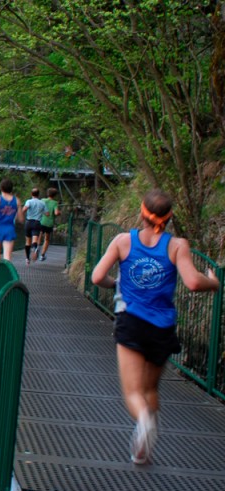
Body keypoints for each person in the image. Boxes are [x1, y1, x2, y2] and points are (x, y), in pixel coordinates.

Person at [91, 189, 219, 464]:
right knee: (150, 389)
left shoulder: (123, 241)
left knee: (133, 392)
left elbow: (97, 276)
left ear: (141, 213)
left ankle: (144, 423)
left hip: (131, 321)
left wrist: (117, 284)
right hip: (162, 326)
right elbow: (194, 283)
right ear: (169, 218)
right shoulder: (177, 246)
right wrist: (214, 282)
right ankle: (145, 449)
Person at [0, 179, 23, 263]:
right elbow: (21, 219)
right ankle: (6, 274)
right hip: (9, 228)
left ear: (1, 188)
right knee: (7, 256)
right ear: (11, 189)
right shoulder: (17, 201)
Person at [22, 187, 46, 264]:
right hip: (37, 222)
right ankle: (35, 248)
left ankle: (27, 259)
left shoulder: (29, 201)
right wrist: (41, 211)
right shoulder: (42, 203)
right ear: (38, 194)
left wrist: (22, 212)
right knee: (34, 240)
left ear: (31, 194)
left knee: (27, 241)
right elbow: (47, 213)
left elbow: (25, 209)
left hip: (28, 222)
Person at [39, 187, 61, 261]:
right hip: (49, 223)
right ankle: (42, 255)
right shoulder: (55, 203)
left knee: (39, 234)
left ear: (47, 194)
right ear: (55, 195)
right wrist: (59, 212)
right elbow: (56, 212)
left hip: (41, 221)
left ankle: (36, 247)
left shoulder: (42, 200)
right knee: (47, 239)